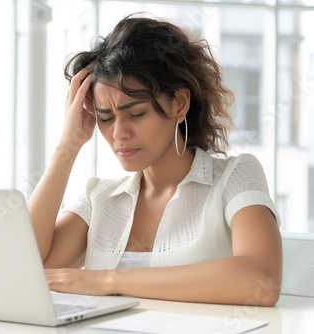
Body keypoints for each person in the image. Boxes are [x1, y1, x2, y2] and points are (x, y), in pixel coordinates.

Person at [28, 13, 282, 306]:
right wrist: (68, 145)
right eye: (106, 117)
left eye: (136, 114)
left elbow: (261, 280)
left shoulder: (235, 177)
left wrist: (106, 280)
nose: (119, 133)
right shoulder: (100, 199)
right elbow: (26, 271)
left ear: (179, 103)